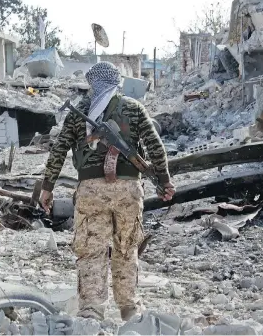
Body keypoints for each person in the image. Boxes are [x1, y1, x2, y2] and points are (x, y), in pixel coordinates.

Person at [40, 61, 175, 322]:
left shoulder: (80, 111)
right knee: (126, 247)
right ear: (117, 81)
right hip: (128, 191)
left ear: (92, 83)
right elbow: (156, 147)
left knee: (91, 250)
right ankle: (130, 309)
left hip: (90, 191)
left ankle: (91, 309)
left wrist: (47, 188)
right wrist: (165, 181)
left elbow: (58, 150)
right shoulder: (134, 108)